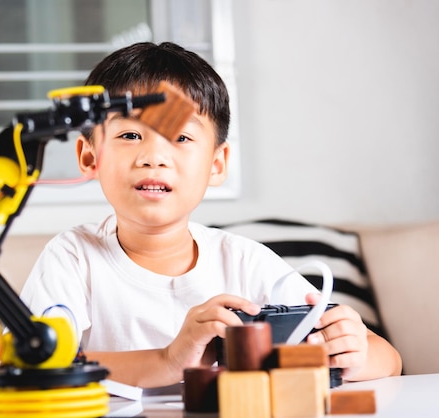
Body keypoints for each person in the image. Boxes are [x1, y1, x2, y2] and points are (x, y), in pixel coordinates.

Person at [20, 41, 402, 388]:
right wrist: (168, 360)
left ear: (217, 164)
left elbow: (389, 359)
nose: (154, 157)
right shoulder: (72, 258)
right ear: (89, 157)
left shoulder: (243, 262)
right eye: (130, 136)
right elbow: (28, 367)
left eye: (182, 138)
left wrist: (353, 354)